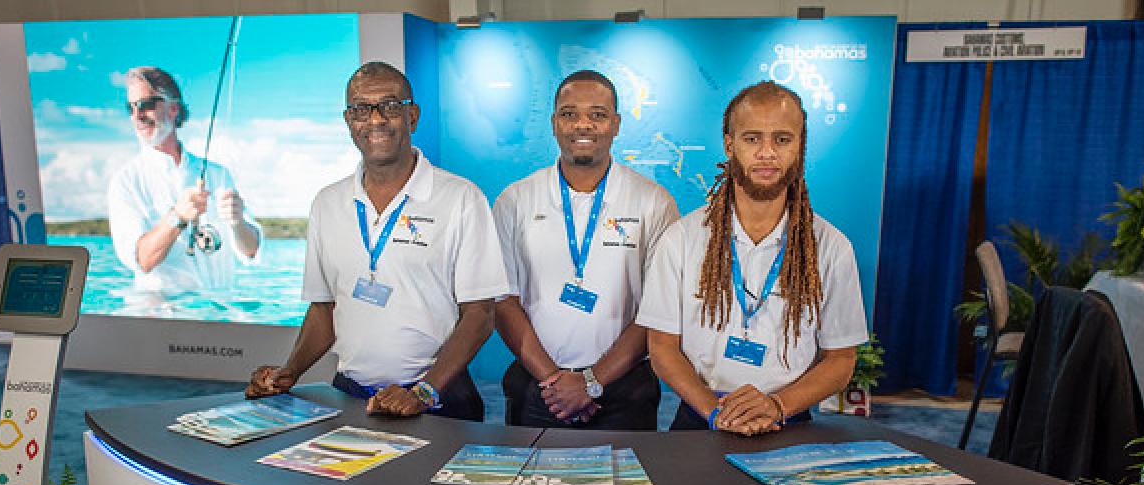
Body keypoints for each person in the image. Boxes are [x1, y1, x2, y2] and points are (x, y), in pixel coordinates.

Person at [245, 62, 507, 421]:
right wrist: (290, 371)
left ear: (412, 116)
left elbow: (480, 314)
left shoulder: (460, 198)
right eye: (361, 109)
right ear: (349, 121)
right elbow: (324, 309)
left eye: (389, 106)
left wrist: (424, 392)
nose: (375, 119)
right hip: (350, 395)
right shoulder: (328, 202)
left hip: (439, 397)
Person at [636, 81, 868, 434]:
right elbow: (662, 347)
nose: (767, 152)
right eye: (752, 138)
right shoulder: (682, 238)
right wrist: (717, 412)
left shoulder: (831, 246)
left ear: (800, 146)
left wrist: (777, 405)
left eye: (782, 139)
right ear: (730, 146)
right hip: (701, 416)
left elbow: (841, 360)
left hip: (788, 419)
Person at [494, 70, 679, 430]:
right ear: (553, 123)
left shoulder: (653, 202)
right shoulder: (516, 200)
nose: (583, 125)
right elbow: (504, 300)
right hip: (538, 385)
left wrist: (592, 382)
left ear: (616, 124)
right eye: (569, 114)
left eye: (597, 114)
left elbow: (658, 310)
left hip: (624, 388)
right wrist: (554, 381)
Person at [108, 66, 261, 304]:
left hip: (220, 313)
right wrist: (177, 217)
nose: (137, 115)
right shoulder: (125, 182)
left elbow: (251, 249)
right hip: (162, 317)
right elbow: (141, 260)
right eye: (131, 107)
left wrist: (238, 223)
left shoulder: (218, 173)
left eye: (147, 104)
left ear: (173, 108)